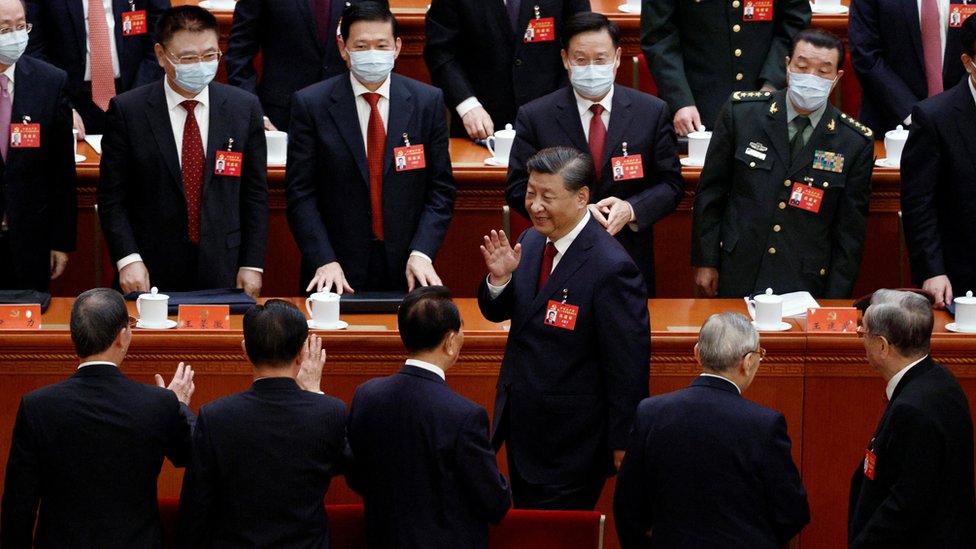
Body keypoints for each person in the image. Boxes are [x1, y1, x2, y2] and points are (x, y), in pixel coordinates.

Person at [479, 147, 649, 510]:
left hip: (571, 442)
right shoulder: (529, 241)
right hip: (524, 429)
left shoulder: (612, 267)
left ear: (582, 197)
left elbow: (627, 363)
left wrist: (623, 440)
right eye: (530, 193)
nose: (535, 205)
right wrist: (500, 279)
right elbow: (500, 313)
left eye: (547, 197)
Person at [0, 287, 196, 549]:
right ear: (122, 337)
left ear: (74, 337)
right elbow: (194, 453)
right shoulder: (157, 404)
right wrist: (178, 405)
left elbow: (18, 507)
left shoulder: (37, 407)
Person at [506, 12, 683, 297]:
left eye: (600, 59)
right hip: (559, 255)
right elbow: (517, 187)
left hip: (628, 254)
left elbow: (671, 184)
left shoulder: (651, 112)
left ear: (617, 59)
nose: (591, 67)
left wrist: (631, 209)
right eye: (580, 59)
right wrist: (571, 211)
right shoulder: (536, 115)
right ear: (565, 59)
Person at [97, 6, 268, 296]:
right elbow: (112, 197)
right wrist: (127, 258)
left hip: (224, 266)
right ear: (162, 56)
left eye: (210, 55)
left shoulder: (243, 108)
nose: (201, 65)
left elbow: (254, 195)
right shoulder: (129, 111)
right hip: (149, 269)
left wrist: (252, 264)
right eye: (189, 58)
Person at [286, 2, 456, 294]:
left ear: (397, 47)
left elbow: (440, 189)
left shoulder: (427, 102)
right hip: (334, 269)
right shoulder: (311, 104)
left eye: (381, 45)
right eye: (362, 46)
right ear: (343, 49)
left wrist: (422, 252)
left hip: (409, 265)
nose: (372, 54)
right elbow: (300, 193)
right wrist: (324, 258)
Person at [692, 29, 875, 299]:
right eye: (802, 67)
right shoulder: (742, 114)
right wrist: (706, 261)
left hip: (804, 281)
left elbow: (849, 234)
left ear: (837, 79)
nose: (811, 77)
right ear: (788, 66)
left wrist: (835, 298)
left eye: (823, 71)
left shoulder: (854, 141)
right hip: (738, 269)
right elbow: (711, 193)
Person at [614, 312, 810, 549]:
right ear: (747, 362)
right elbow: (792, 512)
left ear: (697, 354)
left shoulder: (650, 413)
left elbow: (627, 509)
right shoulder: (764, 425)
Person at [347, 286, 512, 548]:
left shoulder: (366, 396)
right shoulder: (465, 416)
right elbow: (494, 504)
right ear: (449, 341)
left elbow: (357, 478)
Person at [178, 300, 350, 548]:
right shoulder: (329, 412)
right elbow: (345, 463)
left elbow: (196, 508)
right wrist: (314, 393)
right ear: (302, 353)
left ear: (245, 350)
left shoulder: (215, 416)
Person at [848, 289, 976, 547]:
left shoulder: (913, 410)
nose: (861, 340)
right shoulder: (940, 379)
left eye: (864, 333)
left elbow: (906, 504)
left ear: (883, 346)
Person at [424, 0, 589, 140]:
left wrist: (560, 105)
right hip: (480, 125)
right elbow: (440, 51)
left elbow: (580, 42)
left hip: (553, 120)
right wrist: (468, 106)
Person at [641, 0, 810, 135]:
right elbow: (659, 36)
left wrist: (772, 82)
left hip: (765, 95)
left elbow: (794, 21)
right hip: (696, 105)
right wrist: (679, 100)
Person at [0, 0, 76, 292]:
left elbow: (61, 173)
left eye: (21, 26)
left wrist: (60, 241)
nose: (15, 35)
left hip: (30, 243)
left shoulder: (50, 81)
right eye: (4, 29)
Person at [900, 16, 976, 309]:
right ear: (968, 63)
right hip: (961, 275)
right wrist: (932, 269)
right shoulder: (934, 117)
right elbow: (919, 202)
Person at [224, 0, 387, 131]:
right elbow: (239, 53)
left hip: (350, 111)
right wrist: (257, 115)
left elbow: (383, 46)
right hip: (280, 118)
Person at [25, 0, 170, 136]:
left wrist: (138, 98)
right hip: (70, 99)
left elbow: (162, 42)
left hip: (133, 92)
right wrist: (59, 104)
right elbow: (33, 49)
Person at [849, 0, 968, 136]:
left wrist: (955, 106)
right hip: (890, 122)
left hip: (960, 121)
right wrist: (913, 113)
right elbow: (865, 55)